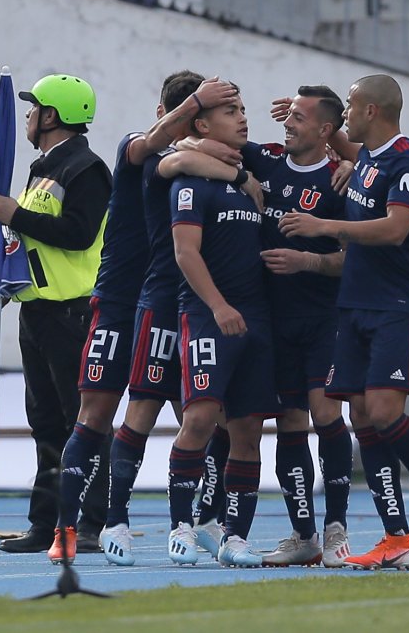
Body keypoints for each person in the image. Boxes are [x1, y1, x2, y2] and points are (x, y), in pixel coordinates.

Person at [44, 72, 239, 564]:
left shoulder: (192, 163)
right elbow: (163, 148)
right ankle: (70, 529)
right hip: (119, 300)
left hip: (173, 302)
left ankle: (204, 518)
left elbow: (209, 159)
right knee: (96, 415)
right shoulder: (139, 146)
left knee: (201, 414)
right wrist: (200, 116)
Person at [279, 74, 409, 570]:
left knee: (383, 412)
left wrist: (325, 226)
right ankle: (396, 538)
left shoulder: (408, 160)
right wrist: (303, 115)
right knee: (361, 418)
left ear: (373, 112)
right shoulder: (365, 162)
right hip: (353, 306)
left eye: (351, 106)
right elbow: (340, 140)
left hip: (398, 305)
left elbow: (396, 229)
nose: (345, 116)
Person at [95, 71, 259, 566]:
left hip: (220, 312)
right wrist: (233, 173)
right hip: (166, 301)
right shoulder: (164, 158)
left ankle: (208, 521)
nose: (242, 118)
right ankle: (115, 518)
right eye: (229, 110)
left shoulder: (237, 156)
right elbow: (173, 156)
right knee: (143, 410)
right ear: (195, 117)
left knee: (218, 420)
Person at [0, 74, 112, 555]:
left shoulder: (87, 168)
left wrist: (15, 214)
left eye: (33, 107)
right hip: (38, 311)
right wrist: (3, 281)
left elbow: (78, 234)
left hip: (71, 313)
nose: (27, 116)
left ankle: (93, 524)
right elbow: (33, 242)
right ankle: (48, 525)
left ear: (52, 115)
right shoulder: (43, 167)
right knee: (45, 423)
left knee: (82, 420)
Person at [236, 86, 355, 568]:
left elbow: (356, 260)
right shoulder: (267, 163)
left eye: (300, 117)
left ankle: (337, 528)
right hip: (272, 319)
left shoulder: (341, 181)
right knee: (288, 422)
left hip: (323, 319)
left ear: (326, 130)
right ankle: (303, 534)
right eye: (289, 115)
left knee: (325, 415)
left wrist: (308, 261)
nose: (287, 122)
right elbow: (199, 142)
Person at [166, 86, 281, 568]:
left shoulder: (253, 175)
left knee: (248, 430)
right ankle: (180, 529)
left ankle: (236, 536)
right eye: (230, 111)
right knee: (198, 419)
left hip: (257, 318)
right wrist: (216, 306)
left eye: (243, 110)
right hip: (208, 316)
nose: (242, 118)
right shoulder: (192, 182)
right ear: (202, 125)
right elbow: (185, 252)